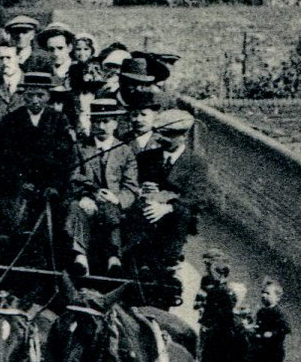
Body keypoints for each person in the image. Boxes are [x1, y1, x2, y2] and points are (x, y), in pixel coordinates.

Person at [0, 62, 76, 260]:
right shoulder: (11, 120)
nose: (35, 100)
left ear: (48, 96)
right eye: (30, 95)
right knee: (14, 222)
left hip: (51, 188)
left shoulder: (59, 120)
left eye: (41, 95)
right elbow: (3, 159)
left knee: (56, 225)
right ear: (23, 95)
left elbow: (66, 158)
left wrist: (54, 185)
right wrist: (20, 182)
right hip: (18, 186)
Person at [128, 109, 210, 290]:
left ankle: (170, 266)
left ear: (183, 135)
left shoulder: (196, 162)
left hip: (176, 219)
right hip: (146, 212)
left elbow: (198, 198)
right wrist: (142, 190)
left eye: (168, 135)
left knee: (181, 214)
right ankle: (141, 262)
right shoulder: (146, 158)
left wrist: (168, 206)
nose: (161, 138)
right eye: (159, 133)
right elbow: (131, 183)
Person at [66, 96, 139, 275]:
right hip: (87, 201)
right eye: (97, 121)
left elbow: (131, 185)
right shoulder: (81, 147)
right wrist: (85, 195)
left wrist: (118, 199)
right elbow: (73, 176)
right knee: (76, 207)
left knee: (111, 208)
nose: (101, 126)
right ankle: (80, 258)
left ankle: (114, 257)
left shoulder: (125, 151)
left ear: (115, 123)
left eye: (106, 121)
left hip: (113, 204)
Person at [248, 278, 293, 362]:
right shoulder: (262, 311)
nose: (264, 296)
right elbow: (259, 325)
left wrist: (272, 333)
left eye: (268, 293)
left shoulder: (278, 312)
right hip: (262, 349)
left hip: (274, 350)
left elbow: (285, 328)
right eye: (263, 292)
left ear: (277, 297)